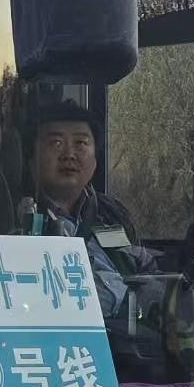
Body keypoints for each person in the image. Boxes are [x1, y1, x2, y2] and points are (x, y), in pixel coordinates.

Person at [23, 100, 159, 317]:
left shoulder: (110, 213)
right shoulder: (18, 218)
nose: (69, 154)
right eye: (56, 143)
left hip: (129, 332)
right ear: (32, 160)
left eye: (81, 143)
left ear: (95, 162)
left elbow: (145, 270)